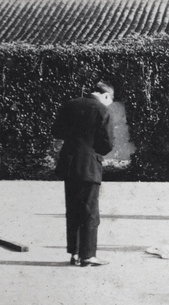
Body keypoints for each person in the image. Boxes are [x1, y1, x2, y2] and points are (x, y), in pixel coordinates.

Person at [52, 81, 114, 267]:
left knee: (73, 209)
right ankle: (88, 255)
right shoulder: (102, 110)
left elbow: (57, 131)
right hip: (89, 165)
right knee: (89, 210)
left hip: (69, 163)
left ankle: (75, 252)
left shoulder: (69, 104)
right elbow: (107, 144)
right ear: (105, 95)